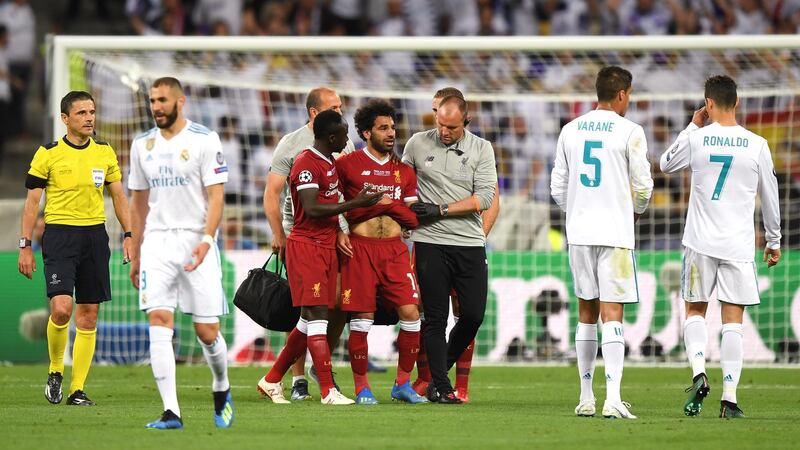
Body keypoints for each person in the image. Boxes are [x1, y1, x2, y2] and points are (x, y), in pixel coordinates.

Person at [660, 75, 781, 419]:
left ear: (708, 104)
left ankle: (699, 372)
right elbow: (770, 196)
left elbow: (666, 163)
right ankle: (729, 399)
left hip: (699, 242)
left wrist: (692, 126)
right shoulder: (757, 144)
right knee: (733, 322)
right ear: (737, 102)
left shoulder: (698, 139)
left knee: (695, 311)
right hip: (738, 245)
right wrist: (774, 240)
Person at [256, 110, 384, 405]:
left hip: (326, 246)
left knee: (306, 321)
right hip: (307, 247)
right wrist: (356, 203)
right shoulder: (305, 163)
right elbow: (312, 208)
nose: (347, 139)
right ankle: (328, 390)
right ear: (331, 137)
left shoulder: (329, 162)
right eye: (343, 133)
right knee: (317, 318)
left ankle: (272, 378)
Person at [128, 77, 234, 429]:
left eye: (161, 100)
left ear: (180, 101)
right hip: (157, 242)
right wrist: (136, 248)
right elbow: (139, 202)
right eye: (151, 101)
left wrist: (207, 239)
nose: (156, 106)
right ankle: (171, 411)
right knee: (159, 320)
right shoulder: (141, 144)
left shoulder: (204, 139)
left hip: (195, 240)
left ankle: (221, 385)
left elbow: (216, 196)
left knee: (206, 331)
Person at [550, 66, 653, 419]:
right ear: (622, 94)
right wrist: (634, 212)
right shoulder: (630, 131)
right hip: (615, 233)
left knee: (585, 314)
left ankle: (585, 397)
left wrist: (579, 208)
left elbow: (557, 187)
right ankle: (612, 398)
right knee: (612, 315)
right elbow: (643, 187)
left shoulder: (570, 129)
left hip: (579, 232)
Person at [18, 90, 132, 407]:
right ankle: (56, 370)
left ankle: (77, 389)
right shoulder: (48, 154)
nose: (89, 118)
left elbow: (119, 197)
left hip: (95, 237)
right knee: (61, 309)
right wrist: (25, 245)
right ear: (66, 119)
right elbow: (31, 205)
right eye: (82, 113)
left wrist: (130, 233)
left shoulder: (105, 153)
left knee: (89, 316)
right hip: (59, 235)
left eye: (92, 112)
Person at [402, 95, 497, 404]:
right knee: (435, 319)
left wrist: (441, 209)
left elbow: (483, 198)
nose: (444, 131)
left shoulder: (482, 149)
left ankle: (437, 374)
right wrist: (406, 216)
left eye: (452, 127)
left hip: (468, 242)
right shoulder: (417, 144)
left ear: (466, 123)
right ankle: (441, 386)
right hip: (430, 242)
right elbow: (401, 185)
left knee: (472, 315)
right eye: (440, 124)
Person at [263, 86, 354, 401]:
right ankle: (309, 381)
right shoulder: (296, 149)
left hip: (331, 238)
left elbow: (341, 192)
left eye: (341, 106)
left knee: (329, 308)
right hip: (302, 237)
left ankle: (275, 377)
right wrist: (279, 235)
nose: (341, 112)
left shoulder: (338, 147)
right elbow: (274, 194)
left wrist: (345, 228)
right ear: (315, 113)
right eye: (335, 107)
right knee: (309, 310)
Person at [335, 98, 428, 405]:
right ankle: (362, 388)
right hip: (360, 250)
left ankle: (402, 384)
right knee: (362, 318)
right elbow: (332, 205)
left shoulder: (403, 171)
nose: (391, 133)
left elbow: (412, 216)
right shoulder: (346, 166)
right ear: (365, 133)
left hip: (394, 251)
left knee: (411, 313)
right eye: (383, 128)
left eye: (392, 127)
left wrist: (394, 210)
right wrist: (341, 231)